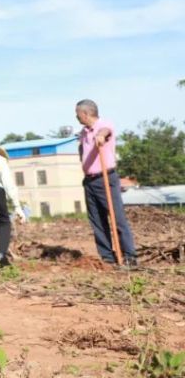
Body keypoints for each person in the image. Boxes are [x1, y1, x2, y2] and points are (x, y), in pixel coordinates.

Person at [75, 99, 138, 268]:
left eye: (78, 114)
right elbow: (82, 150)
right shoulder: (83, 132)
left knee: (116, 217)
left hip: (105, 178)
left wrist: (101, 136)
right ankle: (107, 258)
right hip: (89, 181)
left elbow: (106, 130)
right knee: (96, 220)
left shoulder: (104, 124)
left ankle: (129, 256)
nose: (76, 117)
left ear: (86, 113)